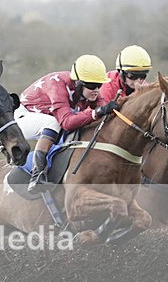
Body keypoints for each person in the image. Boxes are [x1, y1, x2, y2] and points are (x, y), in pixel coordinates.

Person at [15, 54, 118, 193]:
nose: (97, 90)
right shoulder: (57, 86)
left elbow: (103, 114)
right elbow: (67, 122)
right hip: (23, 117)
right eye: (92, 85)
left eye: (99, 85)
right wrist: (96, 112)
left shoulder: (90, 90)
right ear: (79, 82)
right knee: (54, 123)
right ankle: (37, 174)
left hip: (46, 117)